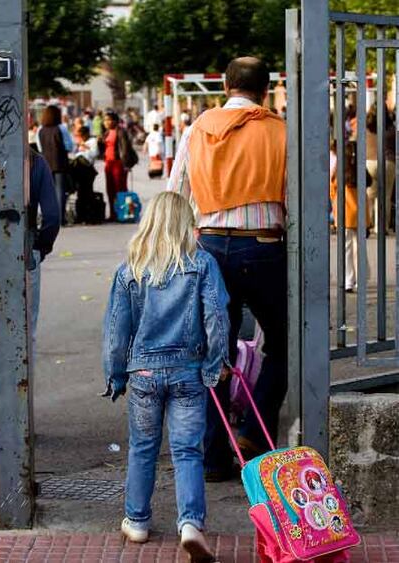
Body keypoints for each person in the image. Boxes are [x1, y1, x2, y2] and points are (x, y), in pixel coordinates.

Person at [168, 56, 287, 481]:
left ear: (225, 85)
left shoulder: (199, 128)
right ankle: (256, 434)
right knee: (281, 342)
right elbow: (299, 196)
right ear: (266, 88)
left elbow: (175, 193)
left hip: (212, 248)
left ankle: (215, 457)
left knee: (213, 349)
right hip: (264, 247)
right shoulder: (280, 131)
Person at [103, 192, 230, 561]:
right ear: (184, 223)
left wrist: (116, 376)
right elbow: (217, 319)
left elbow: (116, 332)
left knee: (143, 447)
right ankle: (190, 524)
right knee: (188, 450)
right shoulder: (202, 264)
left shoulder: (131, 268)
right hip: (189, 371)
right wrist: (213, 365)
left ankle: (137, 521)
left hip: (143, 371)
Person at [28, 149, 60, 345]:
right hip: (26, 251)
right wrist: (40, 248)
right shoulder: (35, 162)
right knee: (26, 331)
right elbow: (52, 217)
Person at [330, 141, 371, 292]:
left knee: (346, 249)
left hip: (344, 215)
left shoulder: (339, 170)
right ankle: (361, 280)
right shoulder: (361, 170)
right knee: (359, 248)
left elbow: (332, 189)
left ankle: (348, 280)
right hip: (360, 216)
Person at [37, 105, 74, 225]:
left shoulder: (41, 130)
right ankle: (60, 218)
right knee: (60, 191)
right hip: (60, 163)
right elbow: (69, 146)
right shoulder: (61, 129)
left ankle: (49, 218)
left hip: (46, 163)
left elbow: (39, 147)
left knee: (48, 193)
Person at [100, 111, 137, 221]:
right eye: (105, 120)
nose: (107, 122)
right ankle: (113, 214)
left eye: (109, 120)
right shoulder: (106, 133)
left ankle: (123, 213)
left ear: (115, 121)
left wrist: (126, 164)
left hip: (118, 163)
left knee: (119, 189)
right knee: (110, 189)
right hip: (108, 163)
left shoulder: (120, 132)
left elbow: (125, 149)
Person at [366, 107, 396, 233]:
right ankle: (381, 227)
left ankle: (368, 223)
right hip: (388, 162)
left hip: (369, 162)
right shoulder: (391, 130)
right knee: (385, 196)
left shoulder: (365, 129)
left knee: (369, 195)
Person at [69, 126, 99, 223]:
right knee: (80, 193)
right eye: (78, 136)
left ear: (86, 134)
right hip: (78, 169)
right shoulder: (78, 142)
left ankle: (90, 216)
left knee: (88, 193)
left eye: (81, 136)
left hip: (87, 169)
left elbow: (94, 154)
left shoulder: (92, 142)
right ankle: (80, 216)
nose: (80, 138)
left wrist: (85, 147)